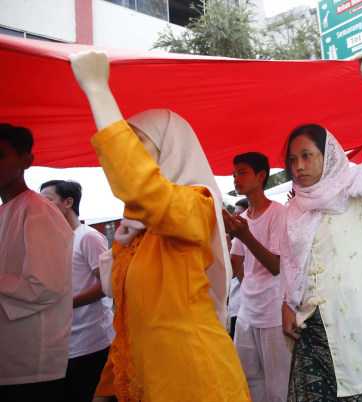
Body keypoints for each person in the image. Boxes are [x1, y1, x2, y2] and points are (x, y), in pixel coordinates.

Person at [69, 50, 250, 401]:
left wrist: (97, 90)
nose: (132, 155)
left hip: (198, 381)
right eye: (130, 145)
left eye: (140, 144)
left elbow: (141, 188)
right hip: (147, 384)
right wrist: (108, 386)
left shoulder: (195, 207)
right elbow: (129, 322)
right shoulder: (132, 234)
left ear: (170, 149)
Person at [281, 52, 362, 401]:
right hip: (311, 328)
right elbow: (293, 267)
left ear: (328, 155)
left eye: (307, 155)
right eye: (292, 159)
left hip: (357, 321)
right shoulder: (293, 210)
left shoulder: (355, 187)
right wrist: (286, 305)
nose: (298, 166)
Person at [0, 124, 74, 402]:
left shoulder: (37, 210)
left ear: (25, 161)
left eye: (0, 154)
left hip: (32, 363)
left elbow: (44, 286)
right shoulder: (9, 210)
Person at [223, 152, 290, 402]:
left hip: (273, 312)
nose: (236, 179)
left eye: (242, 172)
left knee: (277, 385)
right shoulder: (242, 220)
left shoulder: (278, 213)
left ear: (261, 176)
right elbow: (233, 264)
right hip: (246, 312)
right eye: (233, 174)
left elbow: (276, 266)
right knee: (248, 381)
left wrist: (244, 236)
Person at [40, 180, 114, 402]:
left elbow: (105, 286)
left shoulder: (88, 236)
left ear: (67, 202)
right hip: (63, 343)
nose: (41, 206)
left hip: (93, 341)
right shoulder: (51, 240)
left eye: (47, 200)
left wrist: (66, 304)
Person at [227, 197, 248, 339]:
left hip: (248, 308)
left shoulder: (253, 243)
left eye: (240, 214)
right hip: (235, 307)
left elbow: (243, 279)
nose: (235, 217)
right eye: (234, 213)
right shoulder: (233, 242)